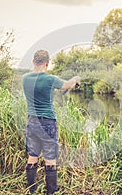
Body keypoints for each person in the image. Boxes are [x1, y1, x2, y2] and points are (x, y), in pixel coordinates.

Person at [22, 50, 81, 194]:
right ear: (47, 63)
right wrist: (76, 79)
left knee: (32, 155)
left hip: (31, 121)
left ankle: (32, 189)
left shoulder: (25, 78)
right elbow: (67, 85)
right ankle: (51, 191)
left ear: (33, 62)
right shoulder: (50, 79)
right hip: (47, 122)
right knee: (50, 158)